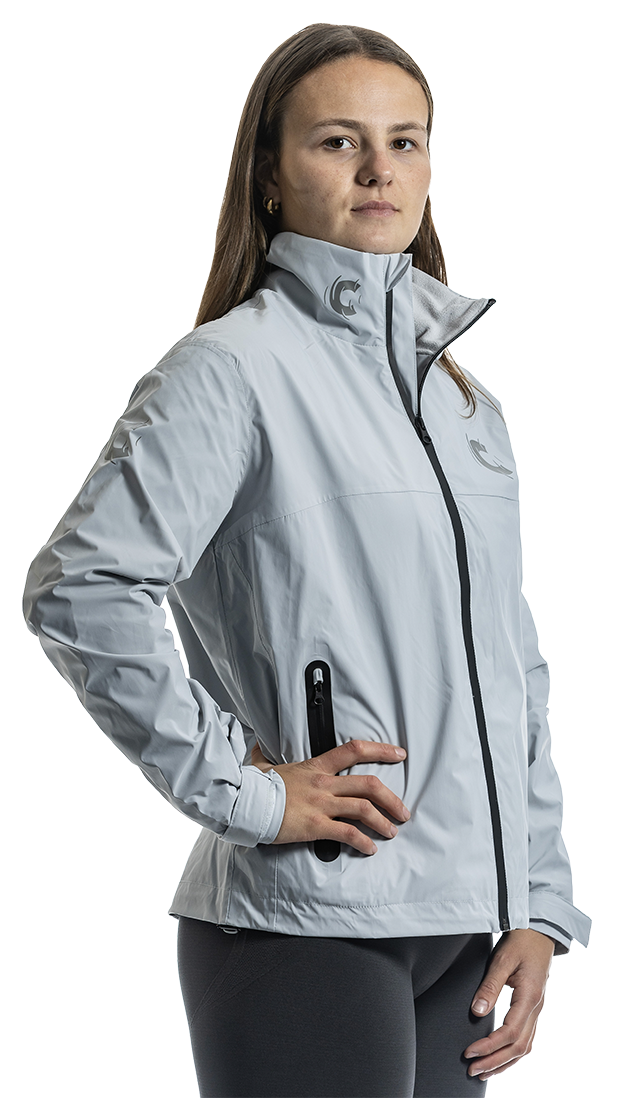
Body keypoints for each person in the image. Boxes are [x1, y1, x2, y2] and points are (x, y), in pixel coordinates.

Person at [23, 22, 591, 1098]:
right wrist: (247, 795)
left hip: (465, 929)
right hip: (302, 923)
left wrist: (538, 901)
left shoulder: (461, 401)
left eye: (406, 141)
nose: (380, 169)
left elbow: (510, 666)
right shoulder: (227, 372)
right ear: (269, 177)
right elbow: (81, 590)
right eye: (338, 141)